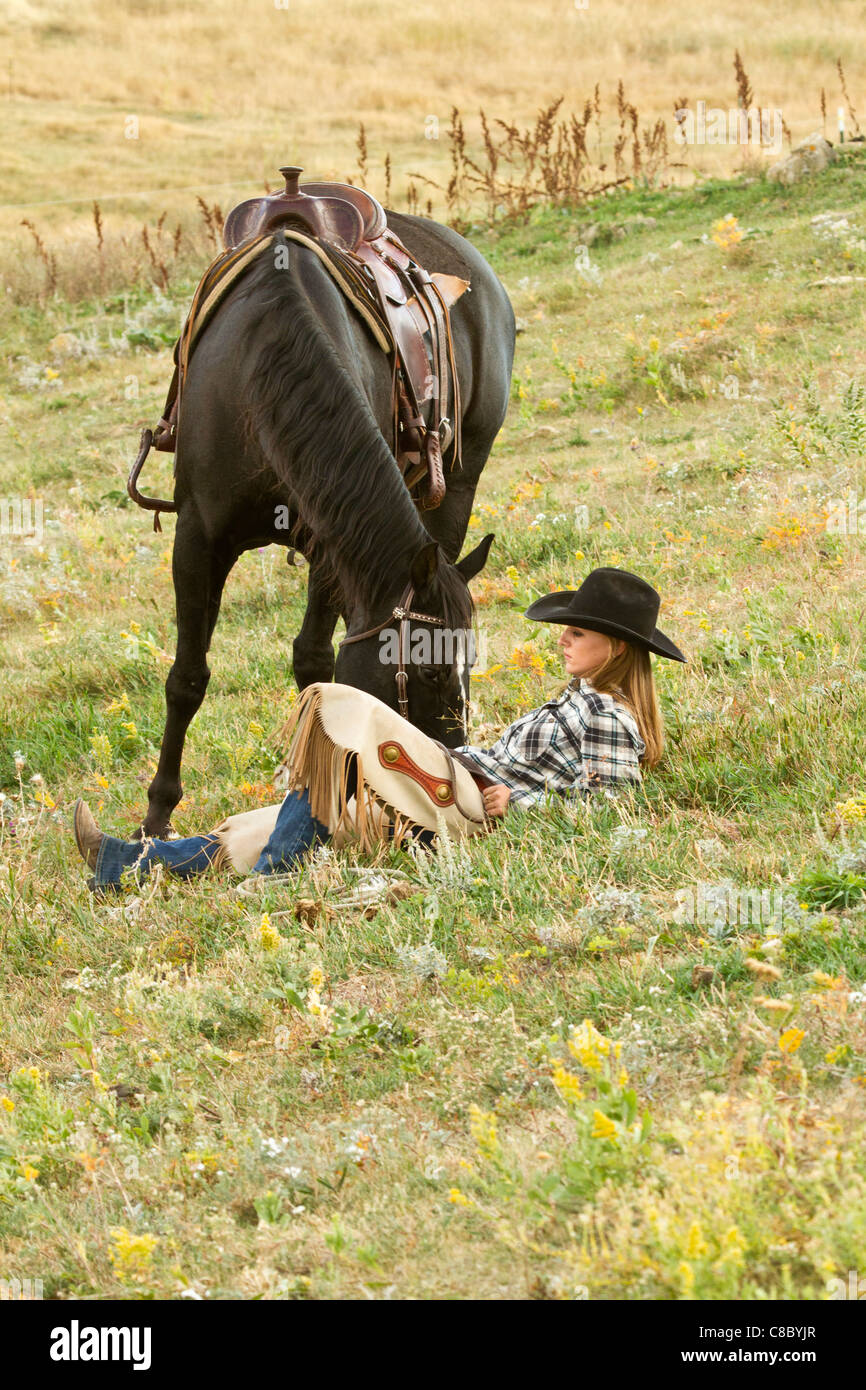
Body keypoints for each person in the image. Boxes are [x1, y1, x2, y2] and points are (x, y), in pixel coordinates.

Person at [73, 567, 686, 891]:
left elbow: (613, 809)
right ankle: (125, 865)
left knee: (348, 712)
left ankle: (273, 882)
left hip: (468, 802)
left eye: (578, 632)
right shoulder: (581, 699)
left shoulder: (611, 716)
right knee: (273, 824)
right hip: (454, 789)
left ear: (618, 647)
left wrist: (519, 801)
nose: (563, 639)